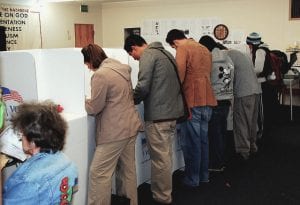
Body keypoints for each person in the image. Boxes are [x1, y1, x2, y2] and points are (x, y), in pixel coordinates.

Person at [124, 35, 184, 205]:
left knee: (160, 159)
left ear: (134, 47)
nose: (134, 58)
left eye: (132, 54)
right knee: (165, 156)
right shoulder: (166, 53)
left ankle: (162, 196)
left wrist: (131, 99)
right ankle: (165, 192)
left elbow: (143, 85)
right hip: (172, 113)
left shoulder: (148, 56)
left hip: (159, 116)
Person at [82, 44, 142, 205]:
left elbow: (95, 107)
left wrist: (84, 101)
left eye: (87, 63)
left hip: (114, 131)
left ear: (91, 59)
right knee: (127, 171)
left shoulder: (101, 75)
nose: (88, 67)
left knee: (99, 173)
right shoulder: (122, 69)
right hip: (130, 126)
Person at [166, 29, 217, 188]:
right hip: (207, 98)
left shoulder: (183, 48)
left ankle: (192, 178)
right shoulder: (204, 48)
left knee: (192, 142)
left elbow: (179, 76)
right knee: (203, 140)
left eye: (173, 47)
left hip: (193, 100)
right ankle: (204, 175)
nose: (175, 50)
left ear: (174, 42)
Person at [2, 101, 78, 204]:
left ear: (33, 142)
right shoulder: (69, 163)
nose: (21, 137)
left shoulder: (25, 180)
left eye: (22, 134)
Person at [199, 35, 234, 171]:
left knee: (214, 134)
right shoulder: (228, 57)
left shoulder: (209, 59)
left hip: (214, 100)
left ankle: (216, 164)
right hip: (227, 99)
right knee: (222, 132)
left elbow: (206, 80)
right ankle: (222, 161)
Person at [226, 48, 262, 160]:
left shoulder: (227, 56)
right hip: (255, 90)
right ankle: (252, 146)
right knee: (251, 121)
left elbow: (227, 76)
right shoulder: (241, 53)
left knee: (241, 122)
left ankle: (243, 151)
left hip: (243, 92)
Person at [246, 32, 280, 139]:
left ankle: (262, 133)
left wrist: (248, 72)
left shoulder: (260, 51)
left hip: (262, 84)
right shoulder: (264, 50)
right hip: (266, 83)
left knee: (262, 110)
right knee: (265, 108)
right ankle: (265, 131)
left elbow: (259, 69)